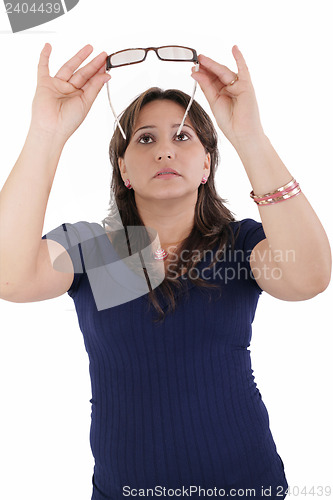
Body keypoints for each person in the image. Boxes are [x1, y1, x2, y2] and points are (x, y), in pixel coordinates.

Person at [0, 43, 331, 500]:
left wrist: (250, 136)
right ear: (124, 169)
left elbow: (310, 278)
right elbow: (9, 278)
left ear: (205, 164)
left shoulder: (240, 243)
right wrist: (46, 133)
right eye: (145, 138)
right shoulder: (93, 249)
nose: (164, 152)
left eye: (182, 137)